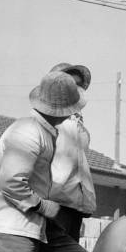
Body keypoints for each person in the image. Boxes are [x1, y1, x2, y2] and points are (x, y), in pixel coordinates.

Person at [0, 71, 89, 252]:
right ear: (64, 109)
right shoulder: (28, 130)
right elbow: (11, 183)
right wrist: (44, 206)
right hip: (13, 226)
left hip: (35, 224)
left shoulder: (45, 131)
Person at [47, 62, 96, 242]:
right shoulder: (47, 121)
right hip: (53, 205)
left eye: (78, 86)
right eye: (69, 84)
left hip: (73, 209)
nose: (75, 90)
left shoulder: (77, 124)